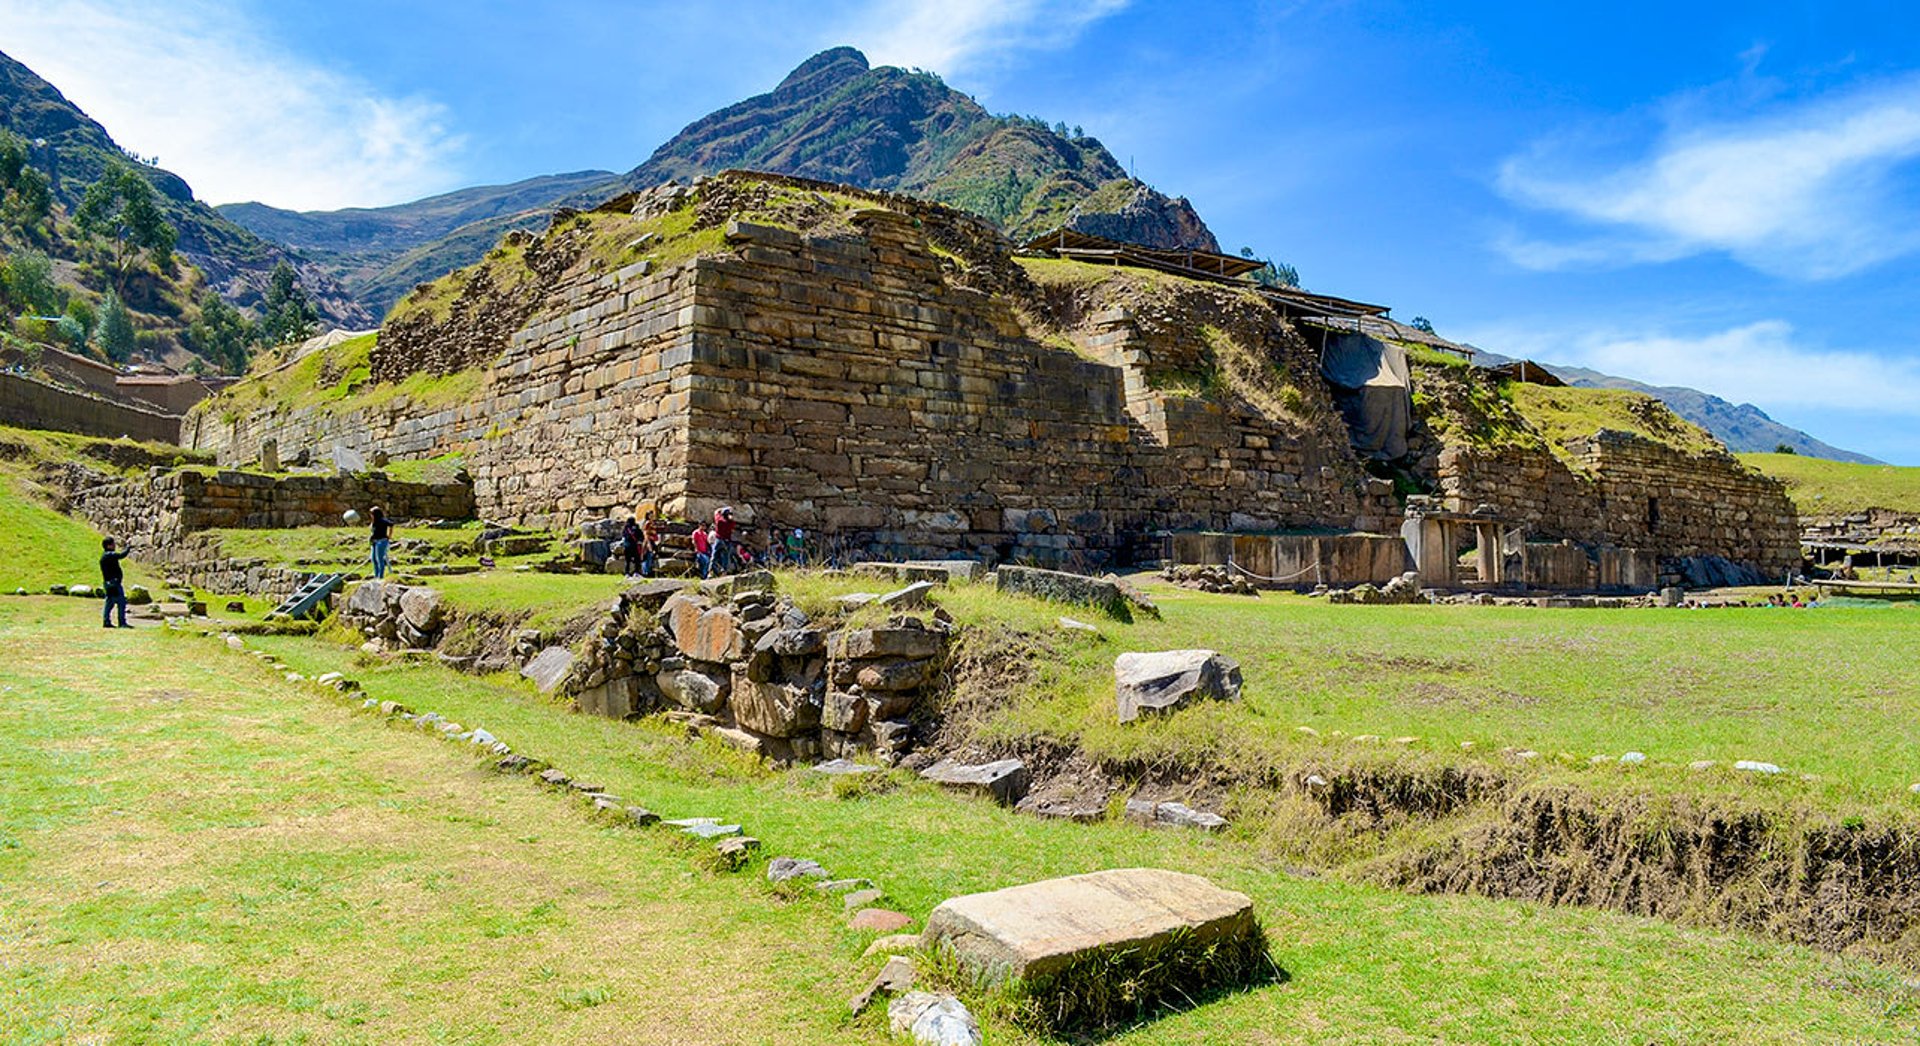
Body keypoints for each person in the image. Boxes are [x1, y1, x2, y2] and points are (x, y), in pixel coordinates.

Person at [99, 537, 132, 629]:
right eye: (113, 544)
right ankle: (121, 622)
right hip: (114, 583)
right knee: (121, 602)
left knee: (109, 603)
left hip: (109, 583)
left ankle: (107, 621)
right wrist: (128, 547)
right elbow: (121, 555)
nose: (115, 546)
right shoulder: (109, 555)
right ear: (108, 545)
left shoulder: (105, 556)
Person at [712, 506, 738, 576]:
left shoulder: (719, 521)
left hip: (719, 540)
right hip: (727, 541)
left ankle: (711, 571)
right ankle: (724, 572)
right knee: (725, 558)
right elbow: (732, 521)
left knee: (714, 556)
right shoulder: (731, 523)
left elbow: (716, 512)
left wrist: (724, 508)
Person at [369, 506, 392, 579]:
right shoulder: (374, 522)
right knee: (374, 559)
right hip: (374, 542)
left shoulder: (382, 521)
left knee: (380, 559)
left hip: (381, 541)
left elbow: (391, 525)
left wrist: (389, 535)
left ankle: (380, 576)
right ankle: (376, 575)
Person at [640, 509, 661, 578]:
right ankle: (645, 572)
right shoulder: (648, 523)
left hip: (652, 541)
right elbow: (645, 534)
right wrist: (648, 544)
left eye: (653, 515)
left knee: (650, 556)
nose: (652, 516)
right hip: (648, 541)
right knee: (647, 556)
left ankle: (648, 571)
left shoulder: (651, 523)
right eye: (650, 515)